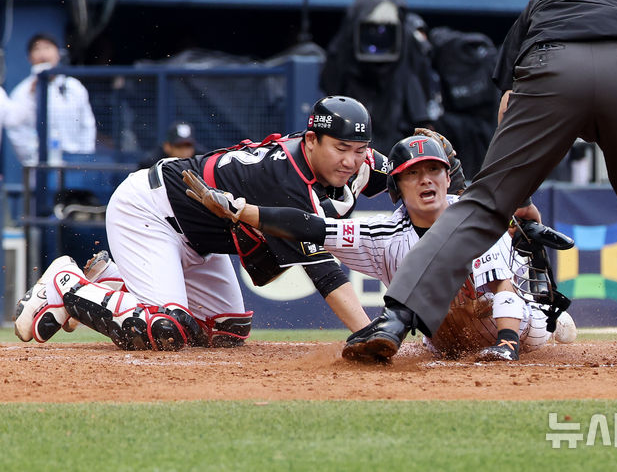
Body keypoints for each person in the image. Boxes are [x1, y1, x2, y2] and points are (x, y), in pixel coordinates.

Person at [339, 0, 617, 365]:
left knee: (482, 206)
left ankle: (395, 317)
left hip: (550, 71)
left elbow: (507, 101)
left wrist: (514, 195)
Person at [13, 96, 390, 350]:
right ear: (311, 141)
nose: (351, 161)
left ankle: (114, 282)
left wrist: (447, 174)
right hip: (150, 210)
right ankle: (68, 287)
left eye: (359, 151)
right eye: (340, 149)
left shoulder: (356, 162)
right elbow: (326, 274)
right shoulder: (286, 180)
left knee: (227, 331)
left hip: (199, 237)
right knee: (168, 330)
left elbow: (400, 173)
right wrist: (369, 335)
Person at [181, 133, 577, 361]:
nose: (426, 181)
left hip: (519, 331)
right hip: (447, 345)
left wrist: (507, 345)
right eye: (414, 174)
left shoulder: (475, 219)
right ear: (396, 188)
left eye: (434, 170)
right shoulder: (383, 236)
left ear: (447, 177)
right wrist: (242, 209)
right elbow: (310, 226)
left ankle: (552, 318)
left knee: (507, 305)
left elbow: (502, 287)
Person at [320, 0, 439, 154]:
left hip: (397, 134)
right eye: (371, 29)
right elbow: (330, 83)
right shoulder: (344, 48)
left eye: (385, 30)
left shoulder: (410, 49)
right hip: (353, 136)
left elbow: (421, 91)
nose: (378, 35)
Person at [7, 33, 96, 164]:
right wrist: (31, 158)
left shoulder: (74, 86)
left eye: (48, 48)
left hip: (75, 160)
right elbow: (15, 128)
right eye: (37, 49)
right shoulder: (22, 92)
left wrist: (84, 157)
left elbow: (87, 124)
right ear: (29, 57)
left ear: (58, 54)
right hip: (41, 162)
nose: (43, 54)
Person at [138, 120, 205, 169]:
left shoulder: (202, 161)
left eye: (188, 146)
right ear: (167, 146)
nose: (184, 151)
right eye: (179, 146)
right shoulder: (151, 164)